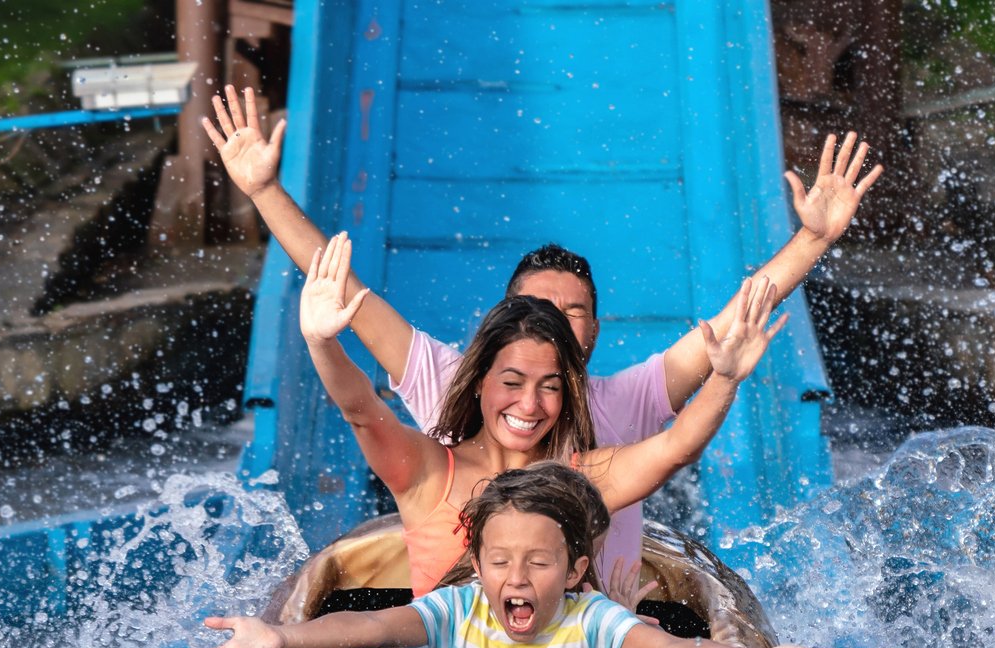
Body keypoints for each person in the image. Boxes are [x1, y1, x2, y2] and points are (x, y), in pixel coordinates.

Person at [204, 86, 884, 571]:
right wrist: (264, 192)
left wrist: (811, 241)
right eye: (535, 309)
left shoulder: (622, 410)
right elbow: (340, 296)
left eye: (573, 312)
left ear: (593, 334)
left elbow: (720, 345)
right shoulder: (443, 395)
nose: (552, 323)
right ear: (500, 331)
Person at [298, 232, 783, 598]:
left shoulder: (583, 479)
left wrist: (724, 380)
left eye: (549, 388)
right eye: (512, 383)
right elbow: (360, 409)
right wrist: (321, 342)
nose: (529, 405)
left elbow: (677, 449)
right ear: (479, 378)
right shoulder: (429, 471)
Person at [196, 463, 844, 648]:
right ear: (476, 568)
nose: (516, 578)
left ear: (573, 573)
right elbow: (365, 627)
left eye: (539, 563)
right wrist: (278, 633)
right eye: (500, 561)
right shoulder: (456, 610)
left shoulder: (589, 621)